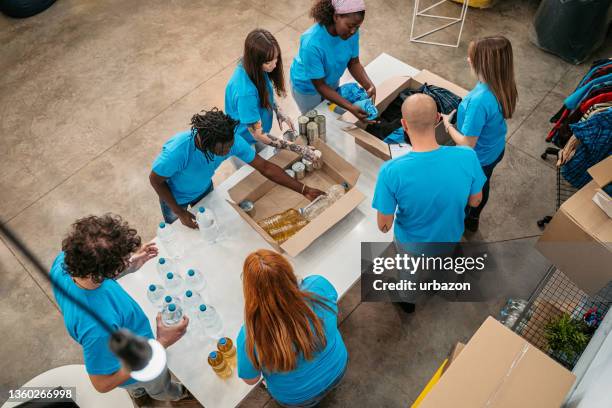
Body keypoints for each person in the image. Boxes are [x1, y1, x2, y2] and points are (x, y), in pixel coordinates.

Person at [50, 214, 193, 404]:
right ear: (104, 272)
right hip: (139, 365)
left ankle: (137, 390)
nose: (127, 259)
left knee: (135, 386)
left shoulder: (64, 262)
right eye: (121, 260)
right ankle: (170, 394)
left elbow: (95, 283)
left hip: (123, 345)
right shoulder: (96, 327)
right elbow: (101, 384)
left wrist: (130, 265)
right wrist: (161, 343)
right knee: (158, 384)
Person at [372, 95, 487, 312]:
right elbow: (476, 200)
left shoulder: (391, 171)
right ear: (437, 119)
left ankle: (407, 300)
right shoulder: (467, 156)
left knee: (409, 274)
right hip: (450, 234)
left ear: (404, 125)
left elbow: (383, 226)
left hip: (412, 245)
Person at [149, 108, 324, 227]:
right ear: (206, 143)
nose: (228, 151)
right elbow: (155, 180)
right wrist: (179, 212)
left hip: (204, 188)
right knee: (181, 231)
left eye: (230, 146)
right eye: (223, 150)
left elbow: (265, 167)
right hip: (175, 198)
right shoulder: (178, 151)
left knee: (210, 223)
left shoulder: (230, 141)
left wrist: (304, 189)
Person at [236, 249, 348, 407]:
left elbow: (251, 379)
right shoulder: (318, 285)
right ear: (288, 271)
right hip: (338, 368)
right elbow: (333, 301)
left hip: (297, 397)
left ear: (250, 292)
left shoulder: (250, 335)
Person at [442, 35, 518, 232]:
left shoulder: (479, 100)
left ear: (484, 64)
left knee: (470, 191)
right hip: (495, 149)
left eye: (471, 57)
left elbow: (467, 144)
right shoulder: (502, 84)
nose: (468, 59)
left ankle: (464, 218)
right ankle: (474, 218)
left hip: (478, 157)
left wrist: (448, 125)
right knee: (484, 182)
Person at [225, 29, 317, 163]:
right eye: (268, 62)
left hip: (258, 131)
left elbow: (264, 91)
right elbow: (258, 134)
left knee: (266, 157)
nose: (274, 65)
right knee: (252, 176)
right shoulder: (245, 93)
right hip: (242, 140)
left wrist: (278, 110)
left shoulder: (253, 67)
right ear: (256, 62)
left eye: (276, 58)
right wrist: (297, 148)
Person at [290, 0, 376, 120]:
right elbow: (320, 86)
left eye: (357, 27)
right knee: (314, 120)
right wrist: (350, 107)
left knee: (330, 113)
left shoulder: (351, 32)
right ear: (336, 17)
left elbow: (353, 63)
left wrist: (369, 85)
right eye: (350, 26)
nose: (353, 31)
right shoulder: (311, 43)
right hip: (308, 88)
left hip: (331, 79)